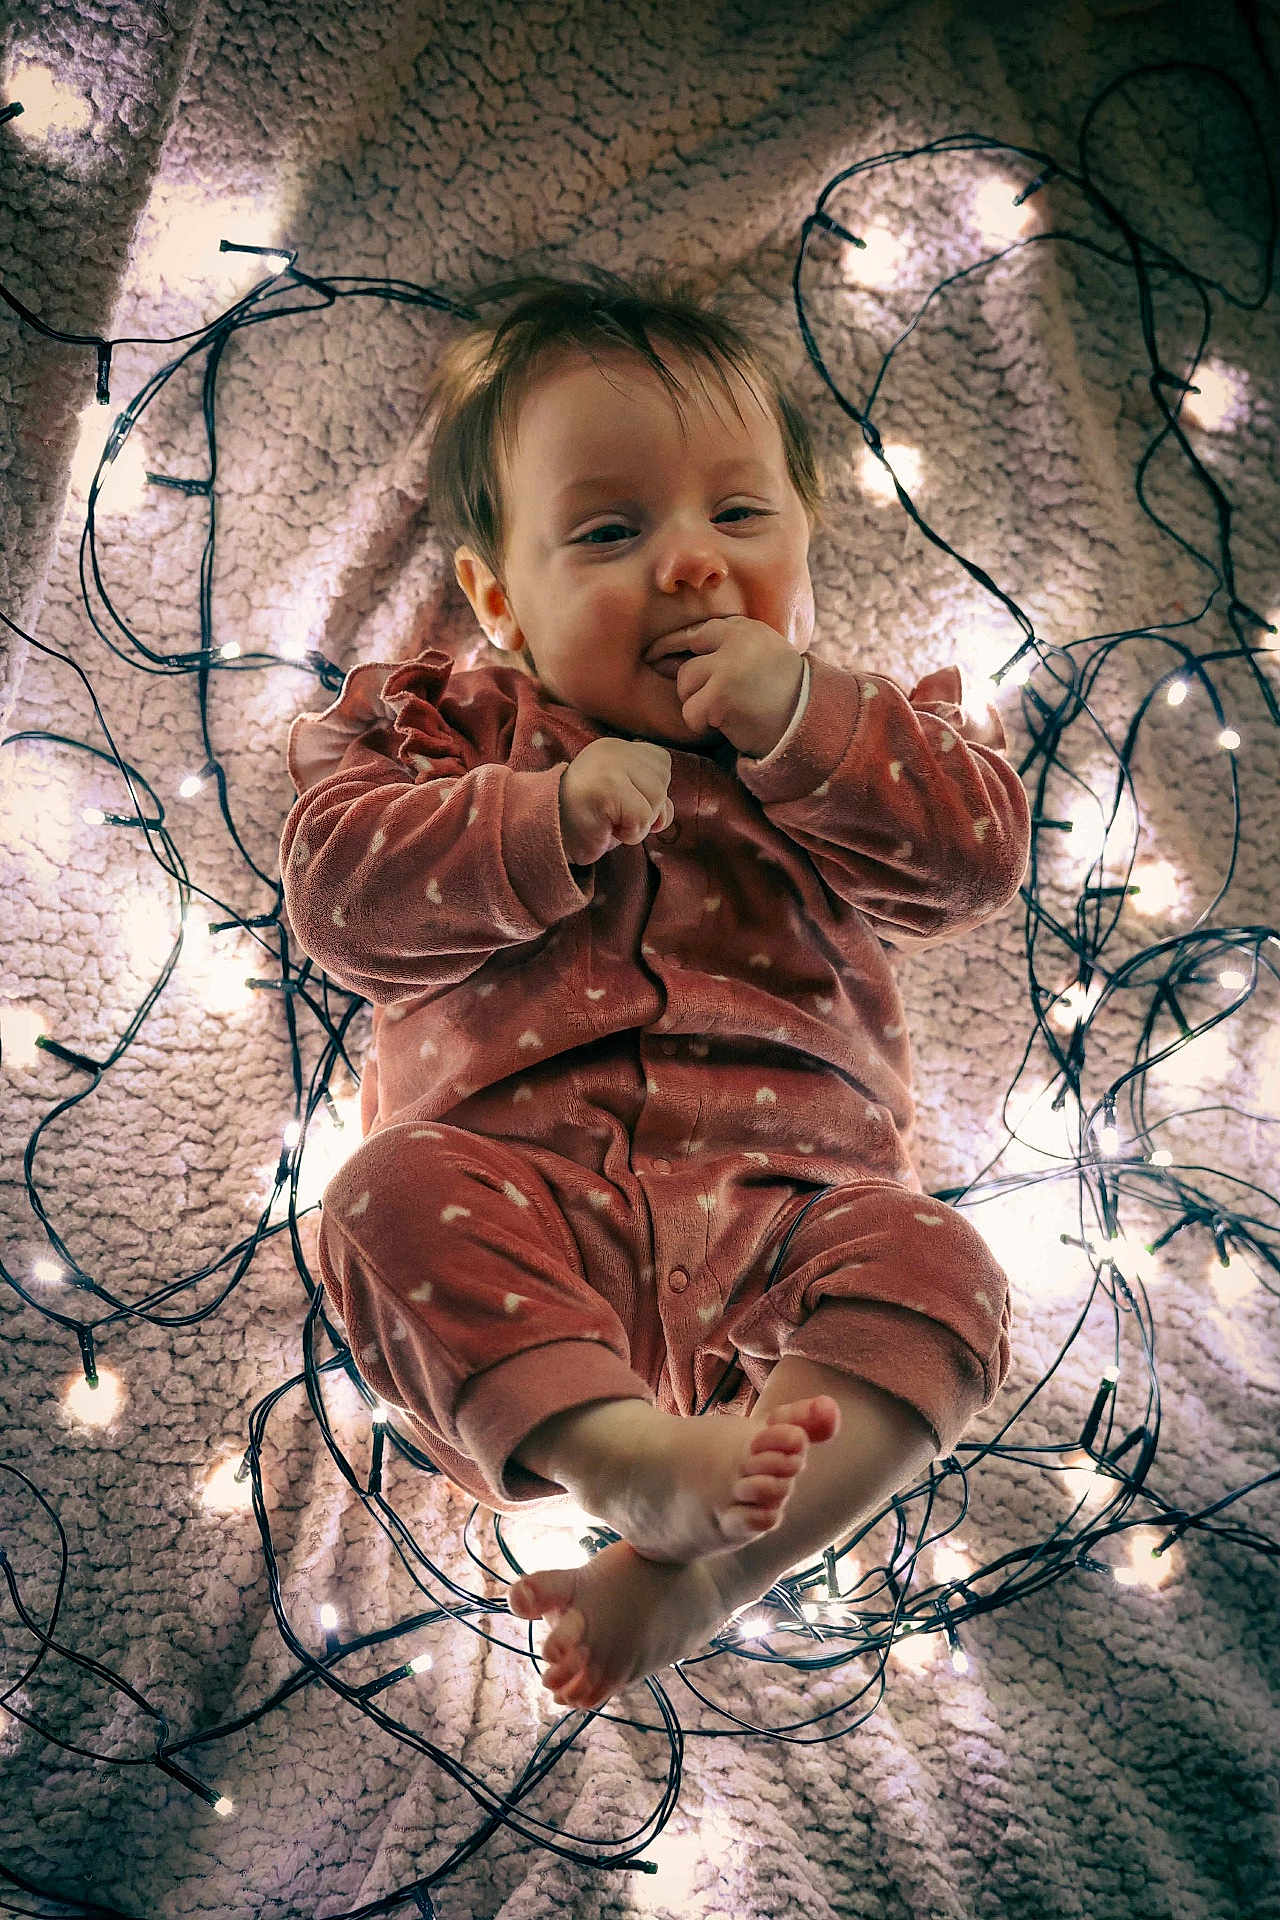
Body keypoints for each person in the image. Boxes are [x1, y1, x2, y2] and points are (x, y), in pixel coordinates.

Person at [279, 266, 1031, 1714]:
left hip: (790, 1217)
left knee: (944, 1270)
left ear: (805, 552)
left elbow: (974, 862)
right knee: (378, 1201)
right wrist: (540, 819)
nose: (689, 565)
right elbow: (340, 900)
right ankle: (618, 1454)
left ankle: (703, 1576)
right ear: (499, 601)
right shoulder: (451, 731)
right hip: (520, 1196)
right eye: (612, 532)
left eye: (739, 519)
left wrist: (805, 722)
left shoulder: (858, 742)